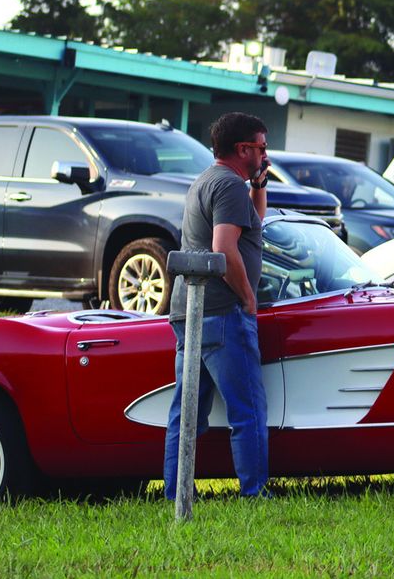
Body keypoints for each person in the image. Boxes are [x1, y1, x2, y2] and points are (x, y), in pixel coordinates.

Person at [163, 112, 271, 499]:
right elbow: (224, 249)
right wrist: (248, 298)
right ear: (243, 149)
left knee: (187, 411)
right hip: (223, 311)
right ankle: (255, 493)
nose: (265, 154)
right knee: (248, 410)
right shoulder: (227, 186)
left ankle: (176, 492)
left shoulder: (209, 180)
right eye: (260, 147)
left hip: (190, 310)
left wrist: (258, 185)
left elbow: (251, 224)